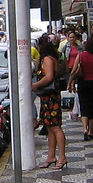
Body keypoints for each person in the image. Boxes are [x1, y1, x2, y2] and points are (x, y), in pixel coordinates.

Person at [31, 40, 68, 169]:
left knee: (55, 127)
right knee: (50, 127)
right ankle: (51, 156)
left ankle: (62, 157)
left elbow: (49, 77)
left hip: (50, 97)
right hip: (50, 97)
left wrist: (35, 85)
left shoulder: (47, 59)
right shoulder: (53, 59)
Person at [67, 36, 93, 140]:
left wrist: (70, 83)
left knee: (84, 105)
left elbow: (74, 71)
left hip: (83, 83)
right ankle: (91, 130)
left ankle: (85, 129)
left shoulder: (81, 55)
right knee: (92, 107)